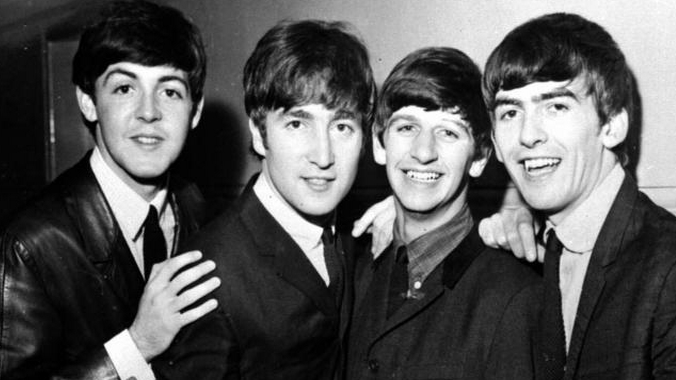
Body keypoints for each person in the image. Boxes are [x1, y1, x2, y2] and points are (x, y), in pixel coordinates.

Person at [0, 1, 220, 379]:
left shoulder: (200, 209)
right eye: (124, 88)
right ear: (88, 102)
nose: (148, 112)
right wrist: (135, 345)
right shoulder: (30, 244)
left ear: (195, 111)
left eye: (169, 91)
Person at [152, 20, 375, 380]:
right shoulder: (207, 275)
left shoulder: (357, 236)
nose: (323, 155)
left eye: (342, 126)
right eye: (297, 124)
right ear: (259, 133)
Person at [481, 12, 676, 380]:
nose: (527, 135)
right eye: (510, 112)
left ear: (612, 125)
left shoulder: (667, 267)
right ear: (494, 143)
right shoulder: (530, 245)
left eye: (556, 106)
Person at [345, 47, 540, 380]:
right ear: (379, 145)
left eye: (448, 132)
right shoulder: (357, 271)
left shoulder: (514, 297)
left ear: (479, 158)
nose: (423, 152)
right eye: (407, 128)